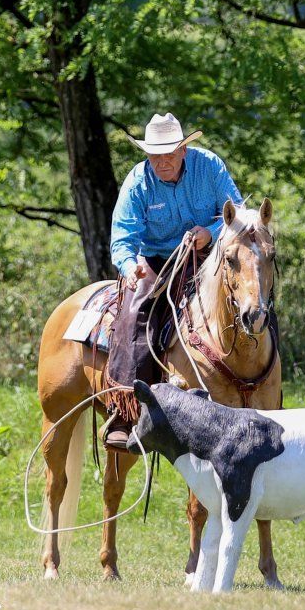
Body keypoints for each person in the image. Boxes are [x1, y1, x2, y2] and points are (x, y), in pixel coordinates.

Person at [102, 113, 243, 450]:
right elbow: (122, 237)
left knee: (251, 298)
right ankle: (126, 410)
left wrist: (209, 233)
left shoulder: (209, 166)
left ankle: (267, 393)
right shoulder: (138, 182)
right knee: (136, 312)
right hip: (156, 260)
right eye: (154, 155)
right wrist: (127, 266)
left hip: (210, 256)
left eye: (169, 153)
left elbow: (237, 213)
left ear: (183, 150)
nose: (162, 162)